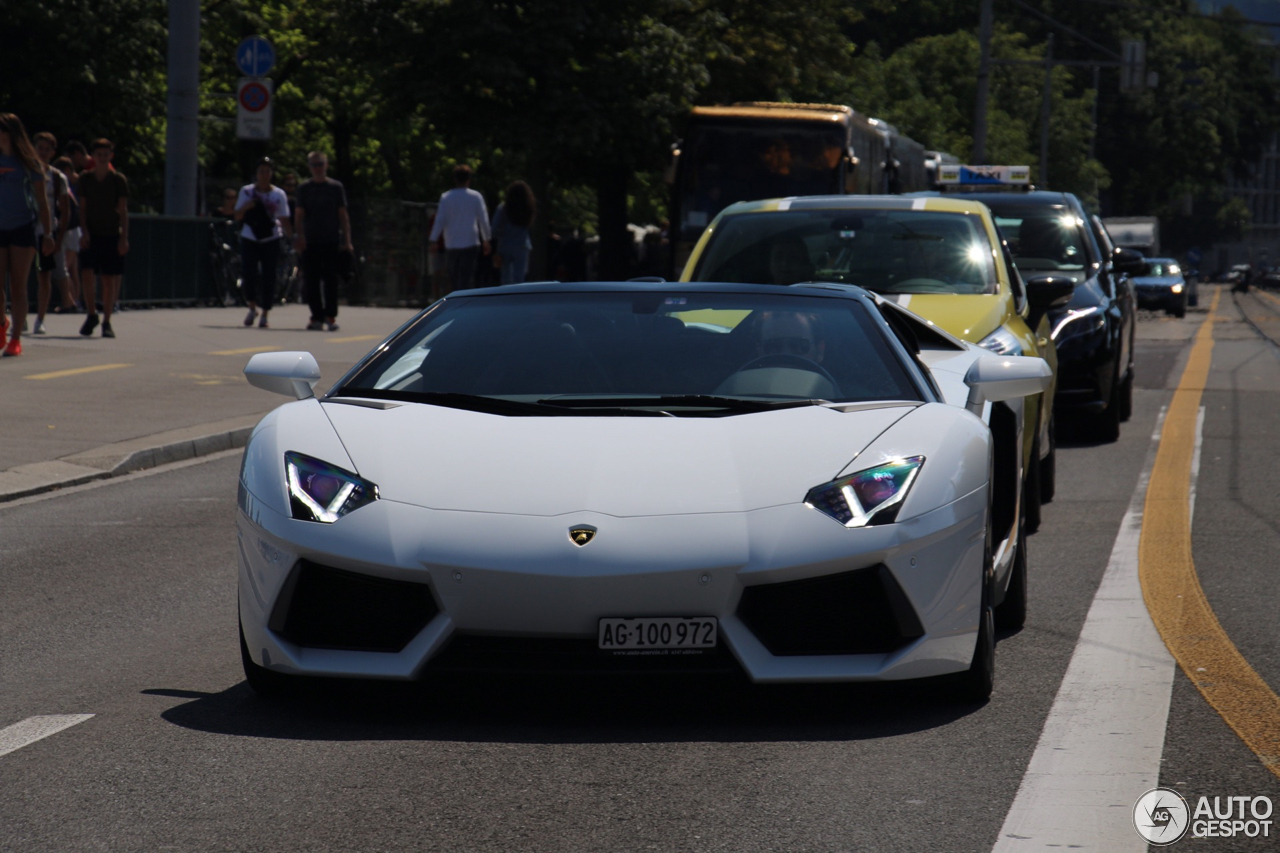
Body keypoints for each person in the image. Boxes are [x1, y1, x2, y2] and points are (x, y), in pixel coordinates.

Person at [0, 113, 55, 356]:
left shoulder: (28, 162)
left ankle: (15, 339)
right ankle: (3, 322)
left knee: (17, 284)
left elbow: (42, 201)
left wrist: (48, 233)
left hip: (23, 227)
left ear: (9, 133)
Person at [77, 138, 129, 338]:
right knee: (87, 273)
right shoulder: (86, 179)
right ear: (93, 156)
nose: (102, 158)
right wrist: (84, 231)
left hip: (111, 233)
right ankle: (91, 313)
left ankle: (107, 320)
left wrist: (123, 238)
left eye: (105, 155)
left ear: (110, 156)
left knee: (109, 278)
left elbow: (123, 211)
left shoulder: (118, 179)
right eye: (98, 154)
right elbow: (82, 208)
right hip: (92, 232)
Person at [294, 151, 351, 331]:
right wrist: (299, 237)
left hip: (331, 240)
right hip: (310, 241)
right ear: (309, 167)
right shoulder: (304, 188)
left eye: (320, 164)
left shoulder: (335, 188)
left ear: (326, 165)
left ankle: (330, 316)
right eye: (314, 165)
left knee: (330, 281)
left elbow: (343, 215)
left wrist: (348, 240)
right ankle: (316, 317)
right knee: (311, 281)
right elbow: (298, 216)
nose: (317, 168)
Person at [234, 157, 292, 328]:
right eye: (261, 172)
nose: (264, 175)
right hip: (250, 236)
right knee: (249, 273)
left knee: (269, 275)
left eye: (267, 172)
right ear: (256, 174)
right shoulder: (246, 192)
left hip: (271, 238)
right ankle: (252, 307)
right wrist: (247, 206)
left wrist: (293, 238)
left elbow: (284, 218)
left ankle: (265, 312)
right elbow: (237, 215)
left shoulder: (278, 194)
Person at [31, 132, 70, 335]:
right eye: (40, 148)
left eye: (48, 149)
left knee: (43, 275)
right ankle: (15, 314)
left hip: (44, 232)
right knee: (13, 274)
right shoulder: (25, 171)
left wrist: (59, 236)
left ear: (53, 152)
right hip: (23, 227)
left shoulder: (57, 177)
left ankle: (40, 318)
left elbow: (64, 208)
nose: (44, 153)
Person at [428, 164, 490, 291]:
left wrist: (434, 240)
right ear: (469, 179)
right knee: (467, 277)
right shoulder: (475, 197)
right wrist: (486, 239)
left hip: (452, 243)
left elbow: (440, 220)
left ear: (455, 179)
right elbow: (483, 219)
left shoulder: (446, 197)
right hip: (470, 242)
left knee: (454, 277)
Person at [51, 155, 82, 313]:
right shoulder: (69, 189)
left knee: (65, 267)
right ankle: (74, 300)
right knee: (72, 269)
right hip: (75, 230)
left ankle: (69, 301)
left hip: (69, 230)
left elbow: (67, 211)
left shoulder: (63, 186)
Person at [490, 180, 536, 285]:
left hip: (505, 246)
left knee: (506, 278)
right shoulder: (527, 208)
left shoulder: (503, 208)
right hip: (522, 245)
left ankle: (506, 299)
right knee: (520, 278)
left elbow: (494, 230)